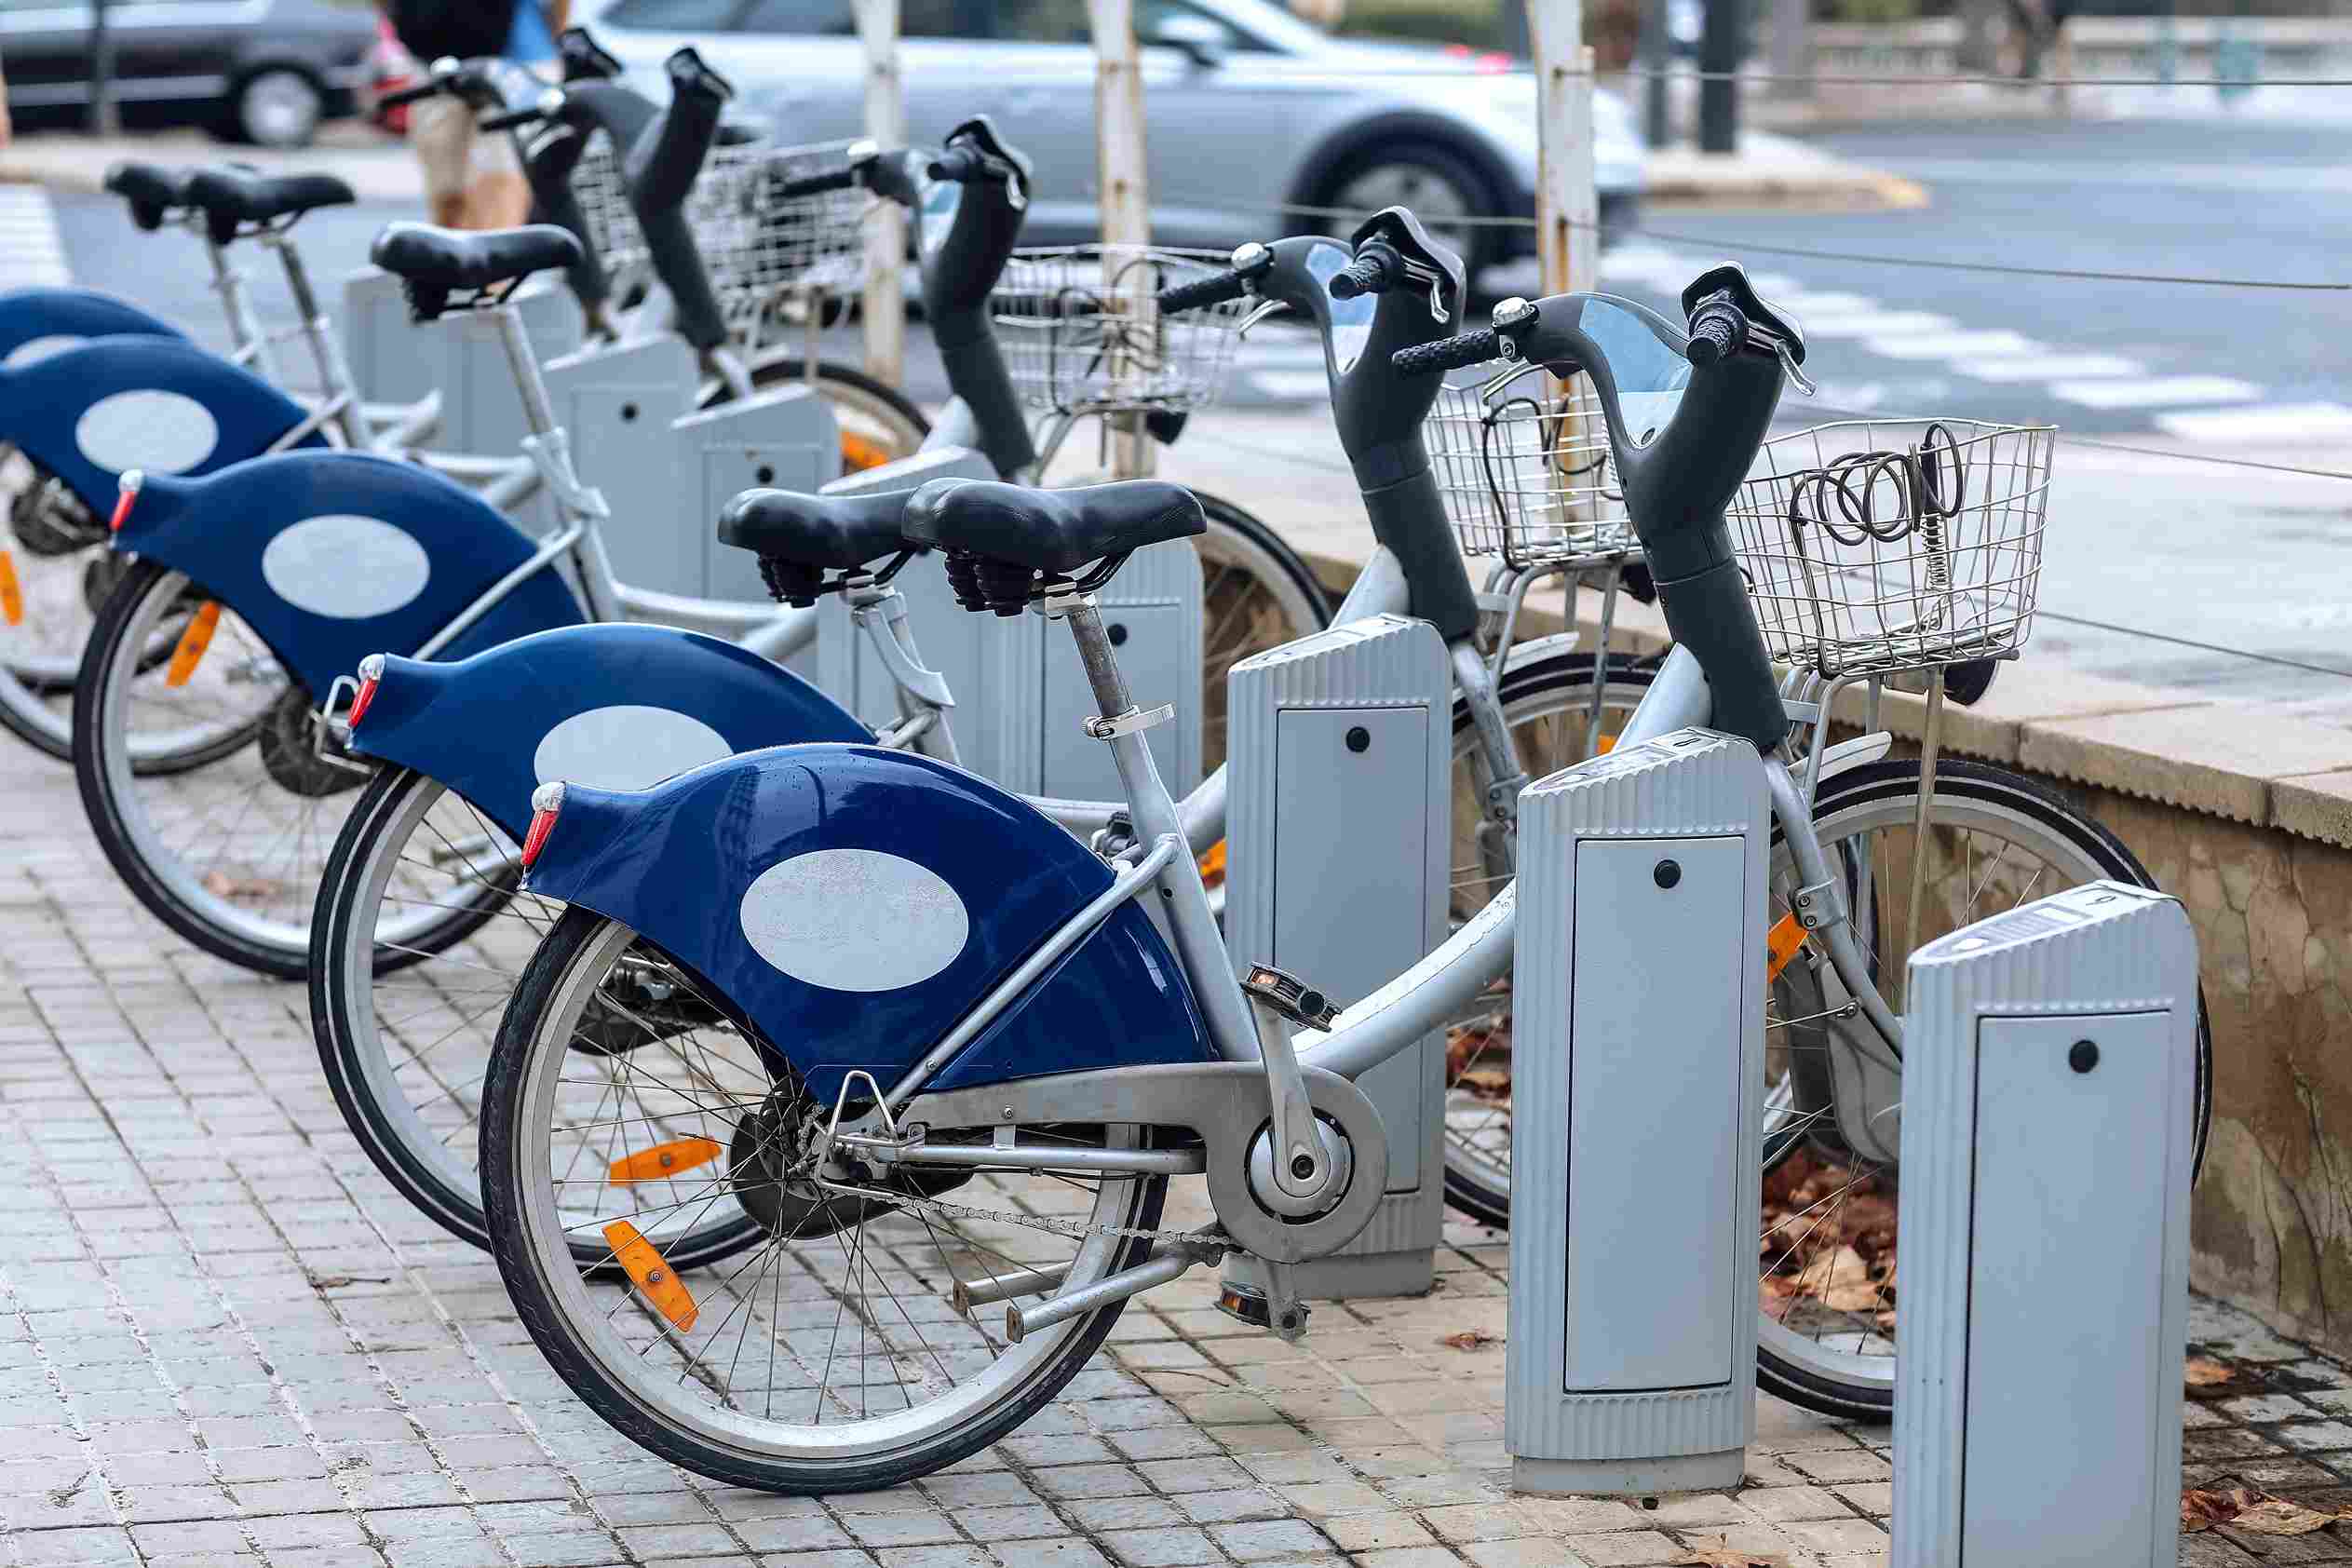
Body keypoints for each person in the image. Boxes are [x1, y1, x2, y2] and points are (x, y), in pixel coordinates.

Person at [386, 0, 569, 229]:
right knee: (447, 194)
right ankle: (458, 259)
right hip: (435, 62)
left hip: (519, 63)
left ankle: (498, 261)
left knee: (500, 185)